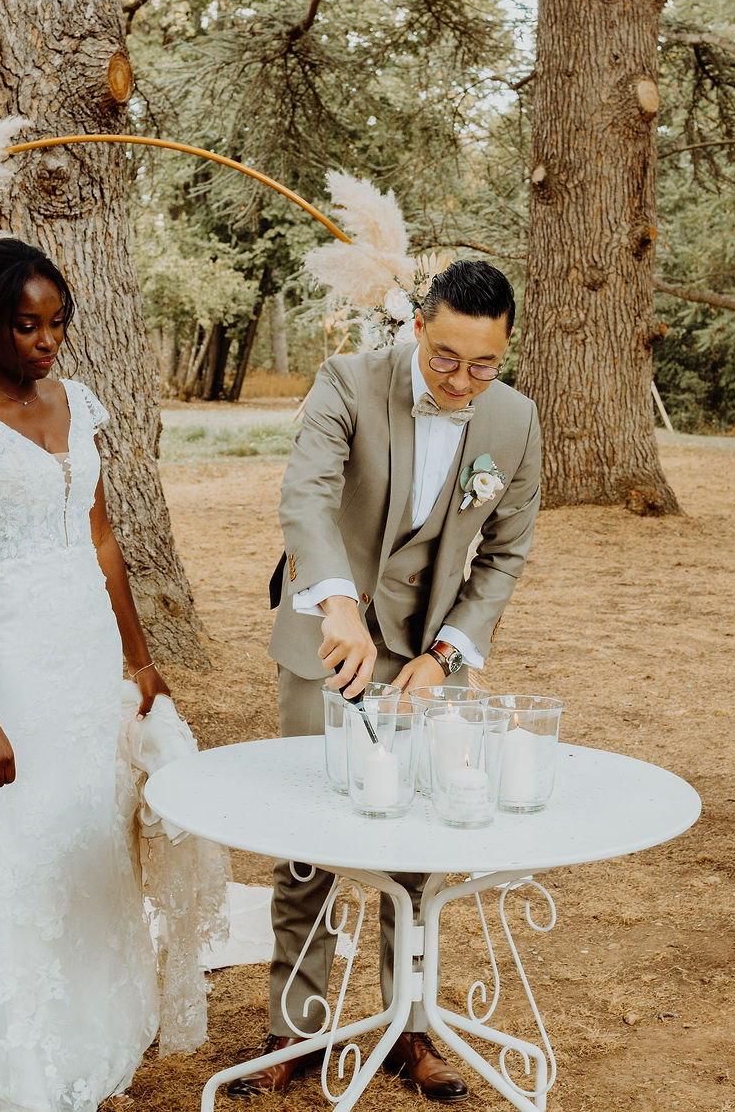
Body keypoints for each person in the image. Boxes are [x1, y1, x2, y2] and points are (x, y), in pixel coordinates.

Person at [230, 260, 542, 1102]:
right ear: (417, 328)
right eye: (446, 358)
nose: (462, 380)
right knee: (311, 844)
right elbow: (306, 496)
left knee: (414, 854)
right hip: (328, 639)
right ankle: (294, 1028)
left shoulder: (514, 420)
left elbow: (507, 553)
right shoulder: (346, 381)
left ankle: (407, 1027)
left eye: (484, 364)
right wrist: (334, 605)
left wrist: (443, 657)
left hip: (423, 660)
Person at [0, 238, 179, 1110]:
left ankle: (91, 1044)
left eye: (57, 323)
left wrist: (138, 657)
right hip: (13, 655)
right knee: (29, 848)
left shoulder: (79, 402)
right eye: (25, 325)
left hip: (88, 648)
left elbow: (102, 539)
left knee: (97, 837)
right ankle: (26, 1072)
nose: (46, 341)